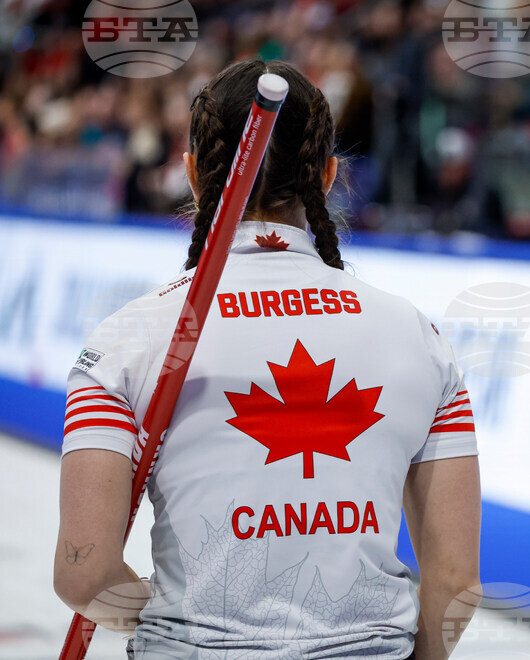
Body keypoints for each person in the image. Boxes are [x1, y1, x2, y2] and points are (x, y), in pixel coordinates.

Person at [54, 60, 481, 660]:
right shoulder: (419, 335)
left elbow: (84, 575)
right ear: (328, 175)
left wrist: (191, 622)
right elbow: (457, 581)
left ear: (194, 176)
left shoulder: (127, 340)